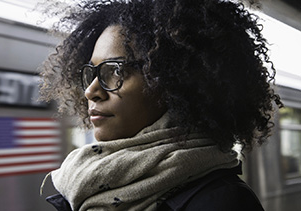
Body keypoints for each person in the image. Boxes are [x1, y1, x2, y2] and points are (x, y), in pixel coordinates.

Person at [39, 0, 283, 210]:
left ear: (173, 81)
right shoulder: (81, 181)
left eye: (115, 71)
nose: (91, 91)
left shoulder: (224, 202)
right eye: (91, 73)